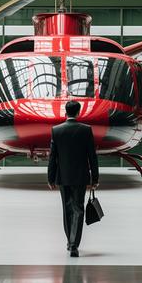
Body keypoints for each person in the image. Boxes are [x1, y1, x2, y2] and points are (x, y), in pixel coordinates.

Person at [47, 100, 99, 257]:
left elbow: (52, 158)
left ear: (65, 112)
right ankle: (74, 244)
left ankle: (70, 243)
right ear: (79, 112)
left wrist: (50, 178)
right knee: (78, 209)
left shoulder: (56, 130)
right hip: (81, 176)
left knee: (67, 209)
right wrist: (95, 178)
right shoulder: (86, 130)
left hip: (62, 177)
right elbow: (92, 157)